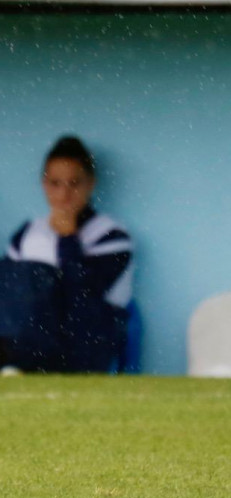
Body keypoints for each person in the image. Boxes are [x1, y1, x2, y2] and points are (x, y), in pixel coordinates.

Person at [0, 136, 133, 373]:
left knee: (39, 279)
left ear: (90, 184)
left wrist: (68, 237)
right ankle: (14, 361)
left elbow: (83, 295)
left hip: (84, 344)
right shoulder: (28, 233)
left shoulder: (111, 235)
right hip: (25, 339)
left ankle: (16, 361)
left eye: (74, 183)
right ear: (44, 184)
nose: (64, 194)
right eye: (55, 183)